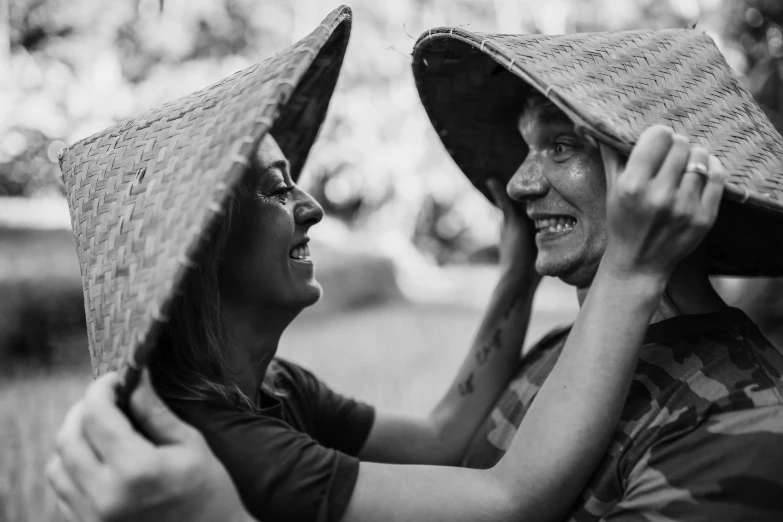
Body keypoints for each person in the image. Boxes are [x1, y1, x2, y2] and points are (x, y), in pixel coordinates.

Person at [45, 16, 746, 522]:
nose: (311, 207)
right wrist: (627, 267)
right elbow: (507, 499)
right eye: (275, 188)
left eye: (561, 148)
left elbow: (443, 439)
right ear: (200, 247)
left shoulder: (272, 391)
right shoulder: (213, 442)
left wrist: (515, 271)